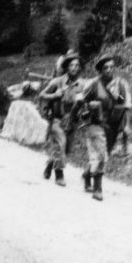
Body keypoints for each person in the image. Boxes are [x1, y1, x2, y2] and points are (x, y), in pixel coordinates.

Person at [76, 54, 132, 201]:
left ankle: (87, 174)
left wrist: (126, 126)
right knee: (102, 155)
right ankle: (97, 188)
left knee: (104, 154)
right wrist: (79, 115)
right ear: (100, 70)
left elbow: (125, 105)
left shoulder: (120, 84)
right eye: (105, 68)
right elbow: (81, 100)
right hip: (96, 124)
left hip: (113, 126)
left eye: (112, 67)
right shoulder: (93, 84)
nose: (109, 70)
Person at [39, 51, 84, 187]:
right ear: (66, 67)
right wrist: (54, 96)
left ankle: (50, 164)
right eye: (72, 65)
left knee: (66, 149)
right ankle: (59, 174)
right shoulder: (57, 82)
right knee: (60, 144)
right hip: (57, 119)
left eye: (77, 65)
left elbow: (85, 102)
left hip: (72, 120)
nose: (75, 68)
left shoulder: (82, 85)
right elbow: (42, 95)